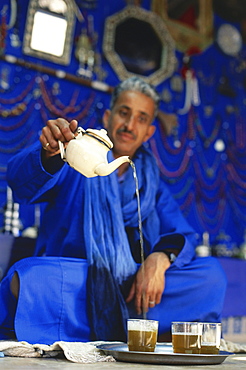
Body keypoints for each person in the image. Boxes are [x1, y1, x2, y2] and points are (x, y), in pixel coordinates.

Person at [0, 76, 227, 344]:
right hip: (80, 284)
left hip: (136, 287)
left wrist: (160, 259)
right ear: (108, 116)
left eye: (141, 119)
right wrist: (49, 153)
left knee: (211, 276)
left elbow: (184, 235)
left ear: (148, 132)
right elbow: (20, 182)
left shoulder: (152, 185)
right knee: (31, 277)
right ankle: (140, 329)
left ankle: (91, 326)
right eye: (123, 113)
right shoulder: (77, 156)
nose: (130, 125)